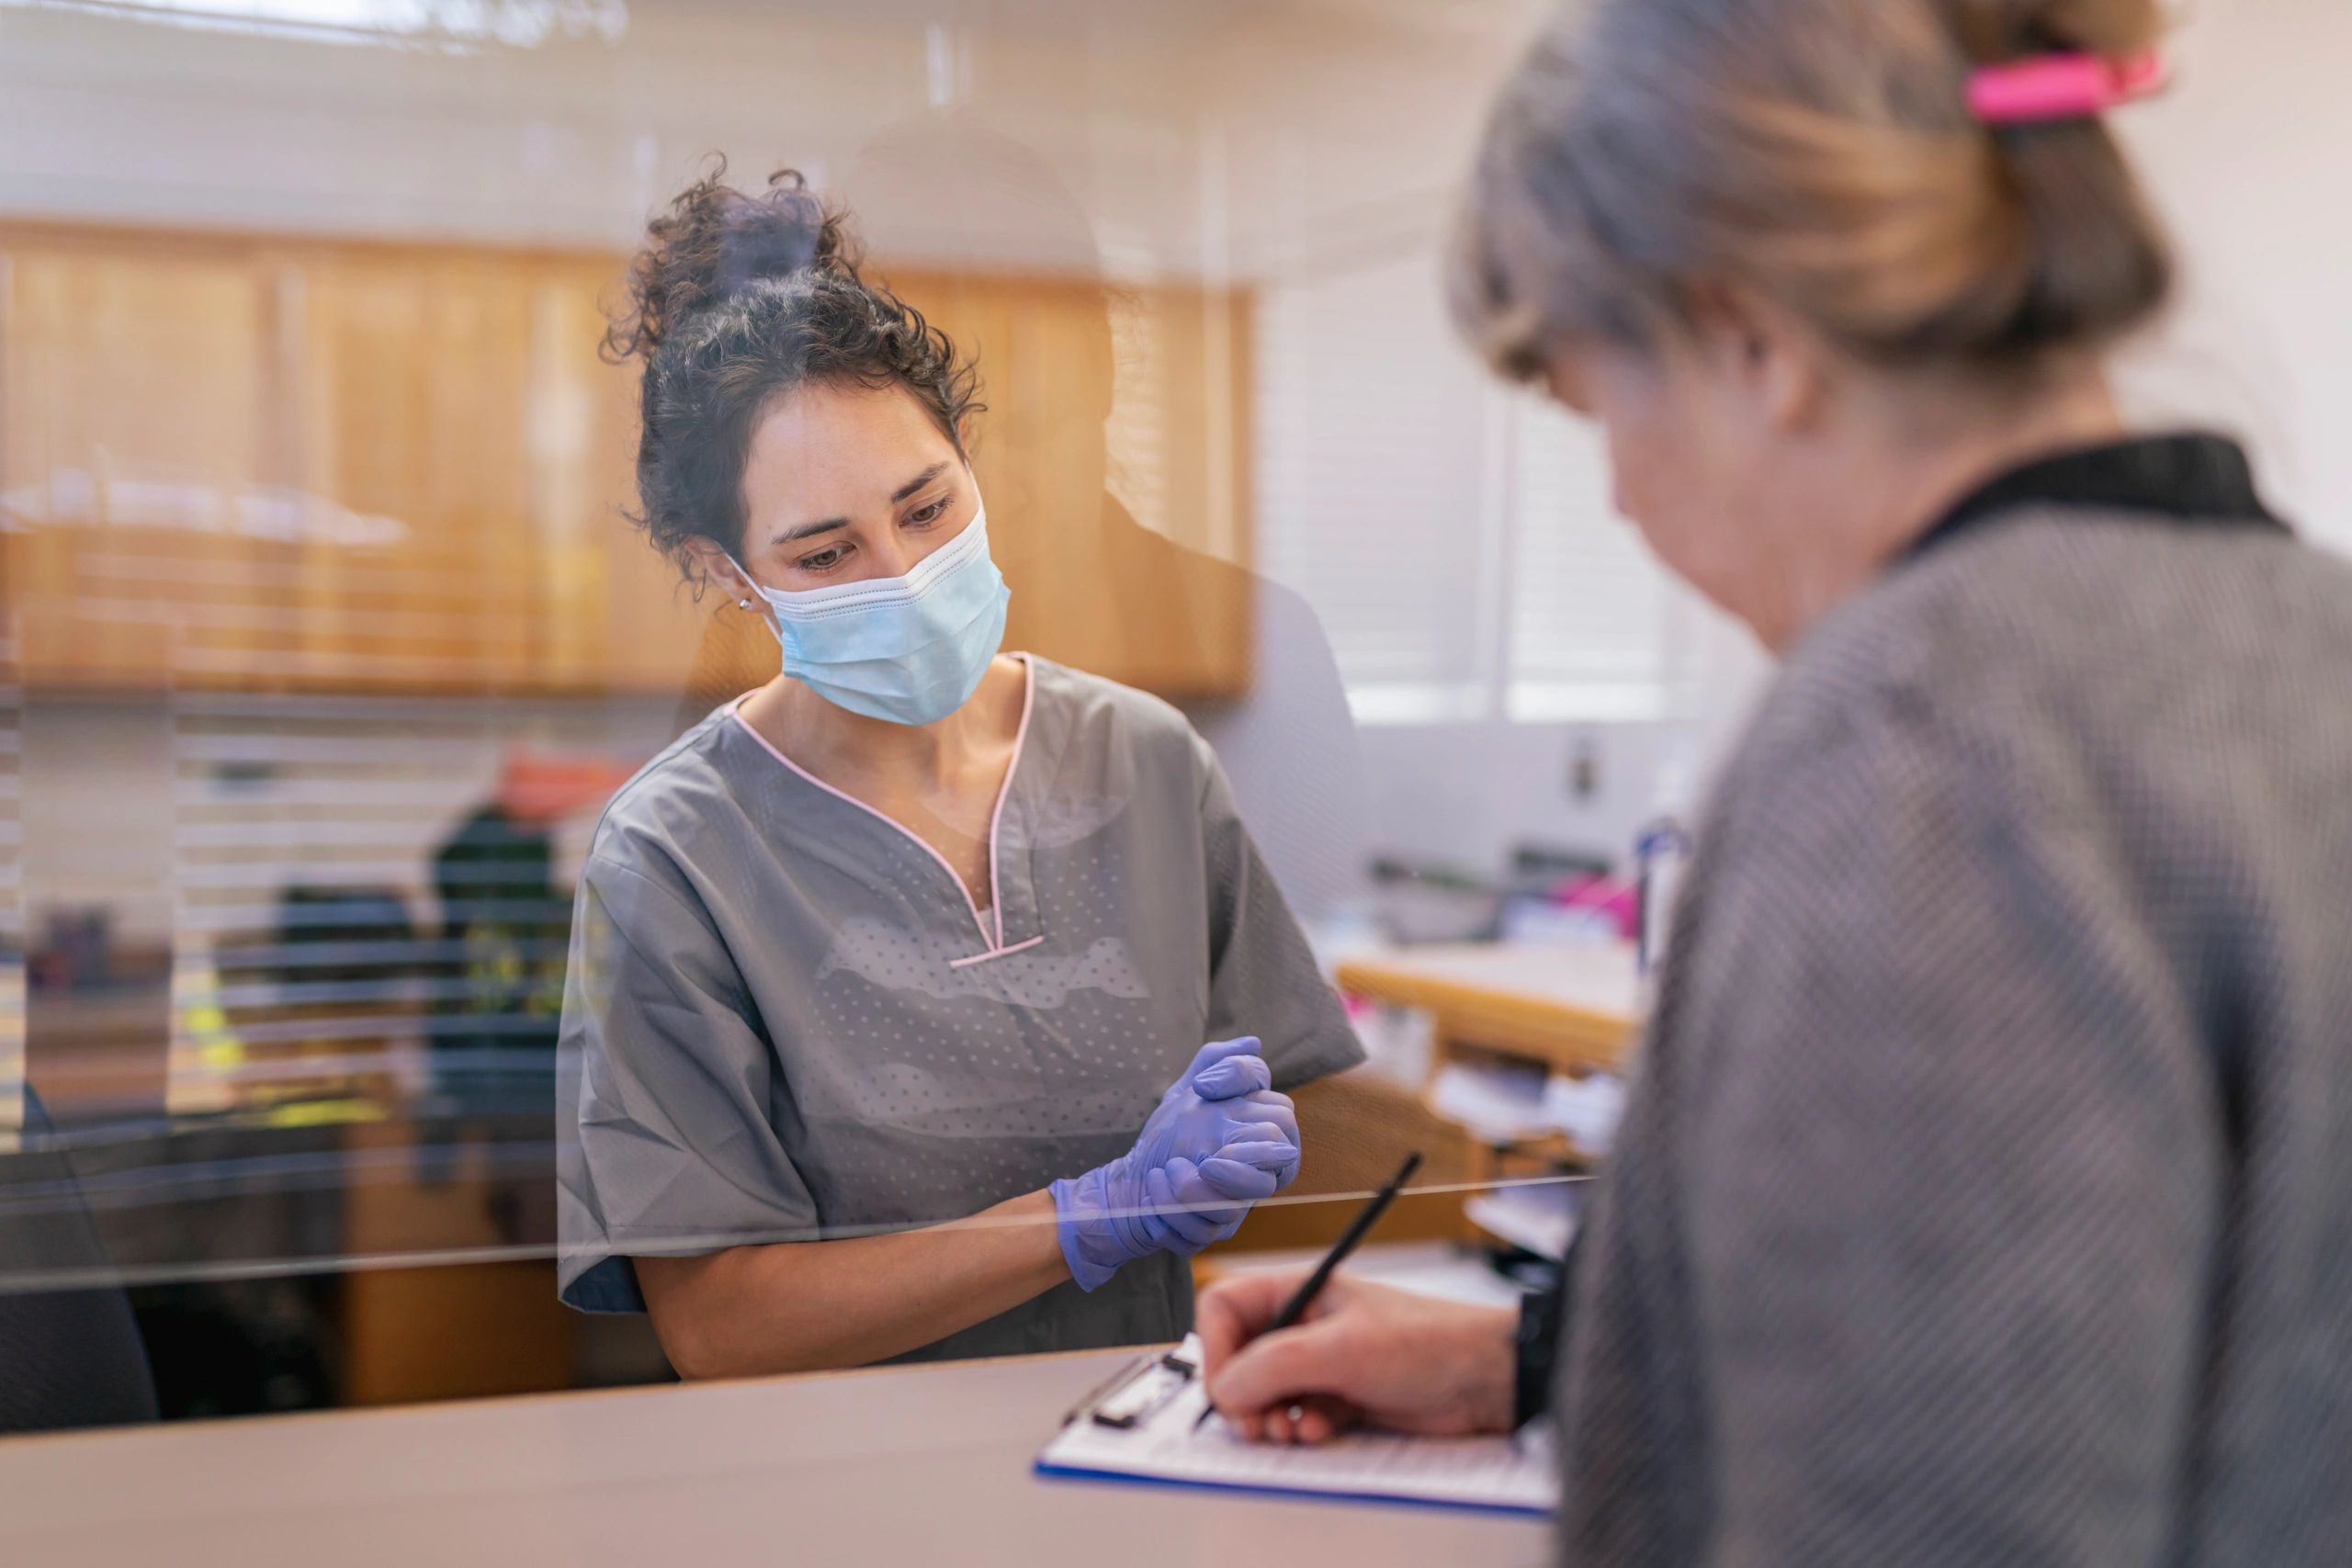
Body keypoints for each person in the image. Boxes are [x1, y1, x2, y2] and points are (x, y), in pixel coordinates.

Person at [1201, 0, 2352, 1561]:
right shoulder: (2310, 639)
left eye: (1601, 410)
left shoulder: (1918, 741)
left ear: (1750, 337)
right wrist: (1537, 1363)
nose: (1619, 498)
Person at [554, 166, 1364, 1375]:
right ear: (727, 571)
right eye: (825, 554)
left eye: (927, 508)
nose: (904, 575)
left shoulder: (1147, 764)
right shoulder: (677, 858)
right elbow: (722, 1325)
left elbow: (1307, 1141)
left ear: (968, 454)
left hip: (1135, 1434)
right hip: (857, 1473)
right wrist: (1088, 1219)